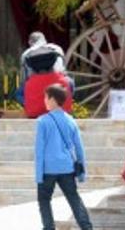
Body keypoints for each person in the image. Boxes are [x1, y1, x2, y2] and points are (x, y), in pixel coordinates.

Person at [34, 84, 92, 230]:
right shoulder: (70, 120)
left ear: (53, 99)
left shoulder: (42, 122)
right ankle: (87, 227)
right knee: (74, 199)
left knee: (44, 200)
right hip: (67, 168)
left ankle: (49, 228)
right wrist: (82, 172)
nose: (45, 101)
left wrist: (38, 175)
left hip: (48, 170)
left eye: (46, 98)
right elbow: (79, 148)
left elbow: (39, 151)